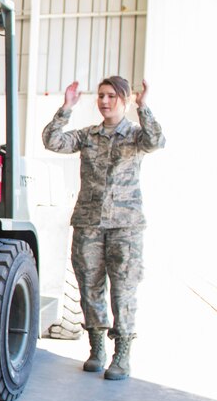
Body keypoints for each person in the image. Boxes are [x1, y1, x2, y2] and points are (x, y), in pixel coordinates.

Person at [42, 76, 165, 380]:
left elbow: (157, 140)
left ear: (124, 99)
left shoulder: (136, 136)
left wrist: (144, 106)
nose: (105, 101)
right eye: (101, 96)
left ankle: (122, 355)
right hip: (89, 224)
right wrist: (66, 107)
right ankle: (97, 349)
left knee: (123, 290)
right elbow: (52, 140)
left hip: (125, 227)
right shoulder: (88, 135)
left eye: (111, 96)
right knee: (89, 287)